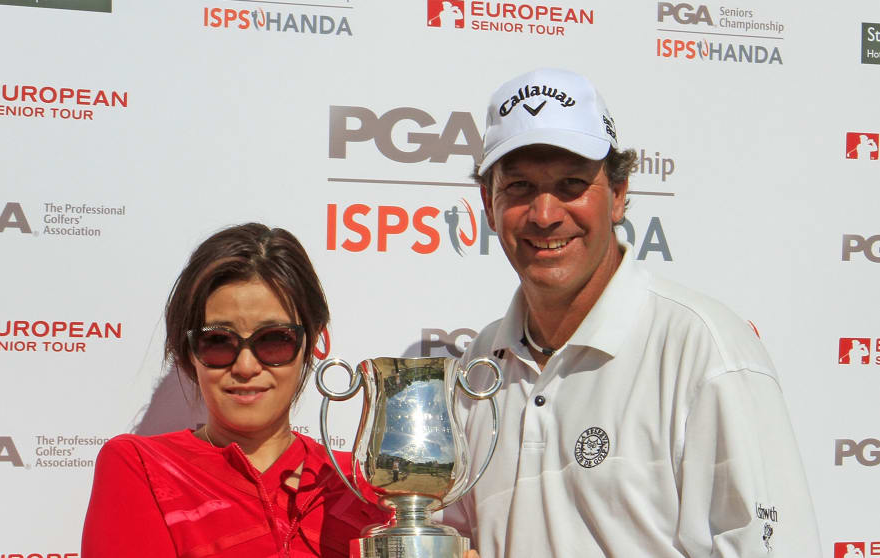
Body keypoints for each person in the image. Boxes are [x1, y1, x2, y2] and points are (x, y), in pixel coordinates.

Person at [440, 68, 822, 557]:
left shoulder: (702, 349)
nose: (544, 213)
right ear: (488, 206)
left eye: (571, 184)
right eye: (518, 187)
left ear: (618, 196)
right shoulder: (481, 364)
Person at [81, 223, 391, 558]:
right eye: (218, 341)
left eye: (273, 339)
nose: (245, 366)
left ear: (312, 342)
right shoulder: (144, 468)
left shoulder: (365, 483)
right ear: (188, 351)